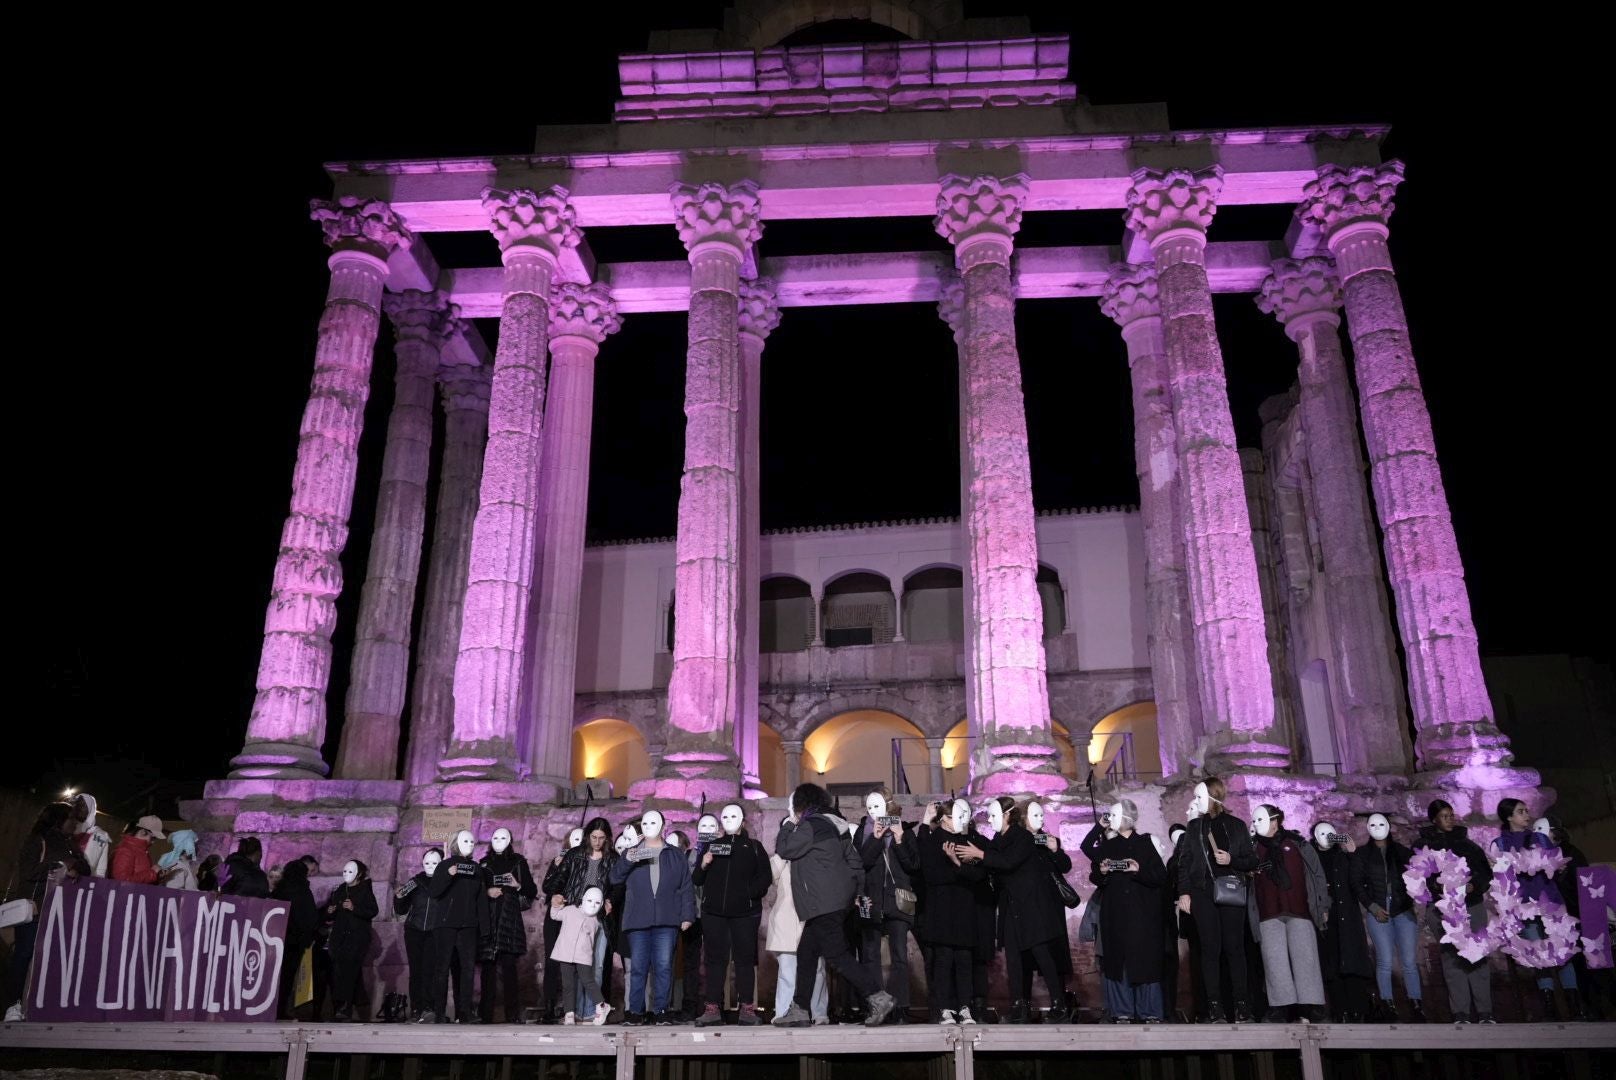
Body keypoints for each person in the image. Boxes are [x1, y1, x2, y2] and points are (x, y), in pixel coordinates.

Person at [773, 783, 895, 1028]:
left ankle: (878, 996)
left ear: (801, 805)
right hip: (837, 900)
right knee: (807, 953)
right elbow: (855, 862)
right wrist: (857, 892)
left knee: (837, 955)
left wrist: (788, 823)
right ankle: (800, 1008)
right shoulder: (836, 826)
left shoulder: (810, 826)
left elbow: (785, 849)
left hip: (822, 902)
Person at [957, 798, 1071, 1023]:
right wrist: (967, 859)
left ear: (1007, 815)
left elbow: (1008, 862)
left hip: (1031, 907)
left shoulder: (1024, 838)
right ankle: (1019, 1007)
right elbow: (991, 861)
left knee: (1041, 953)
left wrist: (980, 855)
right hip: (1010, 907)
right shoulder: (998, 839)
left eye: (993, 815)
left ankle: (1059, 1004)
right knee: (1014, 958)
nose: (989, 820)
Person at [1173, 777, 1257, 1023]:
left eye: (1199, 797)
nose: (1195, 801)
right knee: (1210, 950)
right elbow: (1184, 863)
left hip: (1230, 890)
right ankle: (1215, 1008)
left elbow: (1251, 861)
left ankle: (1242, 1006)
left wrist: (1231, 860)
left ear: (1212, 798)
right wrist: (1184, 892)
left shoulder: (1236, 825)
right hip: (1202, 893)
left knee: (1234, 948)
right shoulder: (1194, 828)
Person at [1491, 799, 1579, 1020]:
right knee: (1537, 952)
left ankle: (1574, 1004)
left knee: (1563, 952)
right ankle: (1549, 1005)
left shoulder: (1539, 838)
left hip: (1550, 900)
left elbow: (1556, 864)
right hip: (1524, 904)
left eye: (1526, 810)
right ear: (1509, 817)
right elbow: (1501, 876)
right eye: (1521, 812)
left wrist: (1558, 866)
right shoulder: (1500, 844)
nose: (1526, 815)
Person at [3, 803, 90, 1022]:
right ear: (59, 819)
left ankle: (40, 1002)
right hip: (35, 907)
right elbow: (29, 872)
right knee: (24, 954)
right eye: (71, 819)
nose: (76, 824)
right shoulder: (37, 840)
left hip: (61, 910)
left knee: (51, 957)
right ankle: (12, 1004)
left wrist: (75, 866)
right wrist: (58, 865)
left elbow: (85, 867)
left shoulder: (71, 843)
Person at [1084, 799, 1169, 1023]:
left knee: (1145, 961)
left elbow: (1160, 877)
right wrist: (1102, 872)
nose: (1110, 819)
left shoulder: (1145, 843)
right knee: (1117, 961)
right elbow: (1095, 876)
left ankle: (1149, 1011)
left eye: (1114, 815)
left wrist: (1138, 870)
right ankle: (1122, 1010)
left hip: (1143, 914)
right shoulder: (1108, 846)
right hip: (1115, 913)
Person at [609, 810, 696, 1025]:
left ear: (663, 825)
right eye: (645, 822)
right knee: (638, 967)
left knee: (664, 966)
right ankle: (635, 1012)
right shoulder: (631, 852)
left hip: (667, 920)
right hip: (638, 919)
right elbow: (614, 877)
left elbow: (686, 886)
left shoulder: (675, 854)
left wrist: (687, 915)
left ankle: (660, 1011)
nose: (649, 826)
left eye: (653, 822)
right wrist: (627, 859)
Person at [692, 803, 771, 1026]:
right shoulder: (712, 846)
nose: (728, 820)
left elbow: (765, 877)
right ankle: (712, 1008)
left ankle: (747, 1009)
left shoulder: (754, 847)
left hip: (744, 914)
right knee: (714, 960)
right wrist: (704, 863)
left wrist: (748, 894)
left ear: (743, 820)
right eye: (724, 816)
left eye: (733, 815)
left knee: (744, 960)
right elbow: (697, 879)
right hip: (714, 913)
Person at [1247, 806, 1327, 1023]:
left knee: (1305, 959)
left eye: (1260, 819)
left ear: (1275, 821)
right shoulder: (1252, 848)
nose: (1255, 824)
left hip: (1299, 910)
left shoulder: (1298, 844)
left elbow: (1317, 875)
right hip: (1268, 912)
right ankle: (1280, 1007)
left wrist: (1323, 906)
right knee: (1274, 961)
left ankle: (1309, 1006)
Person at [1418, 800, 1494, 1023]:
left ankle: (1485, 1012)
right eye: (1444, 816)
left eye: (1451, 815)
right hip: (1443, 908)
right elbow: (1419, 874)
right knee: (1452, 958)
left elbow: (1484, 873)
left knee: (1477, 955)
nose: (1450, 819)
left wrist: (1474, 885)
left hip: (1471, 905)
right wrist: (1437, 886)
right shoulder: (1424, 846)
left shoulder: (1468, 846)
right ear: (1434, 819)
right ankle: (1460, 1012)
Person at [851, 790, 918, 1024]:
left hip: (897, 900)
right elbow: (860, 863)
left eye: (877, 806)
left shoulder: (905, 830)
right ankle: (876, 1006)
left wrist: (899, 839)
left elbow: (913, 865)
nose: (873, 812)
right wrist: (876, 838)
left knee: (899, 955)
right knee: (870, 956)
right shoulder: (863, 831)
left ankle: (900, 1007)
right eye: (869, 807)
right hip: (872, 901)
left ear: (888, 805)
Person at [913, 798, 981, 1024]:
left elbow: (978, 875)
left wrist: (956, 862)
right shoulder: (933, 840)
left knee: (963, 959)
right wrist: (956, 868)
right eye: (955, 817)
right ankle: (944, 1008)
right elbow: (931, 875)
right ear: (944, 818)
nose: (960, 821)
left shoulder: (966, 839)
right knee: (943, 960)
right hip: (941, 909)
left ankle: (965, 1007)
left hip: (964, 907)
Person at [545, 816, 620, 1021]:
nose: (597, 841)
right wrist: (556, 894)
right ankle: (575, 1011)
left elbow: (619, 885)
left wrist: (611, 899)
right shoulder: (575, 854)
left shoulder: (613, 858)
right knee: (573, 965)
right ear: (587, 836)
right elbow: (557, 880)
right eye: (594, 837)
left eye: (601, 838)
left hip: (599, 919)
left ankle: (590, 1011)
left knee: (595, 966)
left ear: (607, 838)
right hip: (575, 914)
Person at [1350, 813, 1424, 1022]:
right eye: (1372, 824)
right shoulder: (1363, 854)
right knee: (1384, 960)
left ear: (1389, 826)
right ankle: (1387, 1004)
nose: (1377, 828)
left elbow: (1415, 877)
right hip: (1378, 910)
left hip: (1403, 910)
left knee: (1409, 960)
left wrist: (1414, 900)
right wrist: (1372, 907)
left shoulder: (1401, 852)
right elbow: (1356, 883)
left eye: (1381, 823)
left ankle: (1416, 1005)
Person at [1311, 823, 1373, 1022]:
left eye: (1331, 833)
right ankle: (1340, 1011)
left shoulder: (1344, 856)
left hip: (1347, 914)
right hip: (1325, 916)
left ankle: (1358, 1010)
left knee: (1352, 962)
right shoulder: (1312, 859)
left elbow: (1360, 881)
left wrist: (1353, 854)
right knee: (1332, 964)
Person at [425, 830, 488, 1024]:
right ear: (456, 843)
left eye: (471, 841)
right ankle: (439, 1012)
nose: (469, 844)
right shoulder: (445, 865)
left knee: (468, 969)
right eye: (465, 841)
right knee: (442, 969)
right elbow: (434, 892)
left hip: (468, 925)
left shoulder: (476, 869)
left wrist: (485, 929)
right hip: (446, 924)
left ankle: (465, 1012)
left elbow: (481, 900)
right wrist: (448, 875)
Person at [478, 827, 537, 1023]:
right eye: (495, 837)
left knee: (509, 968)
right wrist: (487, 892)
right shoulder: (483, 864)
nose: (498, 840)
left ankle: (512, 1015)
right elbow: (476, 891)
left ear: (510, 840)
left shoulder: (518, 861)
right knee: (488, 969)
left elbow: (531, 889)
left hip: (509, 919)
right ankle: (485, 1015)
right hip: (489, 920)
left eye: (503, 837)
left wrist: (517, 885)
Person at [767, 850, 831, 1024]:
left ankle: (819, 1013)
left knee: (817, 969)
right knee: (787, 971)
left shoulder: (812, 853)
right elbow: (770, 876)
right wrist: (782, 854)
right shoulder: (781, 858)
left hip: (810, 920)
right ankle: (783, 1013)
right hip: (786, 921)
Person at [325, 860, 379, 1020]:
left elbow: (372, 910)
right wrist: (330, 911)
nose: (346, 875)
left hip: (356, 939)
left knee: (349, 972)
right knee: (341, 973)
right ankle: (357, 1004)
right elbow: (332, 913)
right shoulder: (341, 889)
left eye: (350, 872)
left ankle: (344, 1007)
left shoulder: (364, 890)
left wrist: (355, 908)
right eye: (345, 871)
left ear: (359, 874)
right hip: (340, 938)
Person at [395, 848, 444, 1022]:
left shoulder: (446, 881)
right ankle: (417, 1008)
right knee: (416, 971)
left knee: (430, 971)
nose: (430, 866)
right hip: (414, 931)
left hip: (435, 932)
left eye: (435, 863)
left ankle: (429, 1007)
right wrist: (399, 897)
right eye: (427, 863)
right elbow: (401, 908)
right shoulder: (415, 882)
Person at [551, 887, 611, 1025]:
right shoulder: (570, 910)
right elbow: (555, 915)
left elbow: (605, 922)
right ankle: (569, 1013)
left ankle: (601, 1005)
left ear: (601, 904)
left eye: (597, 903)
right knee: (568, 984)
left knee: (588, 981)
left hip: (583, 955)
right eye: (589, 900)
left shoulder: (596, 919)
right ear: (583, 898)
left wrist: (606, 913)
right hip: (565, 953)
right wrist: (555, 904)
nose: (592, 905)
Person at [272, 859, 319, 1020]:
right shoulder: (302, 891)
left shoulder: (280, 890)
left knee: (274, 976)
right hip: (295, 942)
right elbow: (310, 917)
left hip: (276, 939)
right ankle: (281, 1010)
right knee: (287, 978)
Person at [109, 815, 166, 885]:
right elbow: (121, 881)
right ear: (143, 832)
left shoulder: (141, 851)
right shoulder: (126, 850)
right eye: (153, 838)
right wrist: (152, 872)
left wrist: (157, 876)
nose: (153, 842)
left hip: (134, 895)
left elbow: (142, 879)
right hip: (125, 895)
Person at [69, 793, 112, 878]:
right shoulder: (67, 829)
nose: (79, 808)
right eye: (78, 804)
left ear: (90, 809)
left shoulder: (101, 836)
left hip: (84, 884)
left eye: (83, 805)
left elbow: (101, 870)